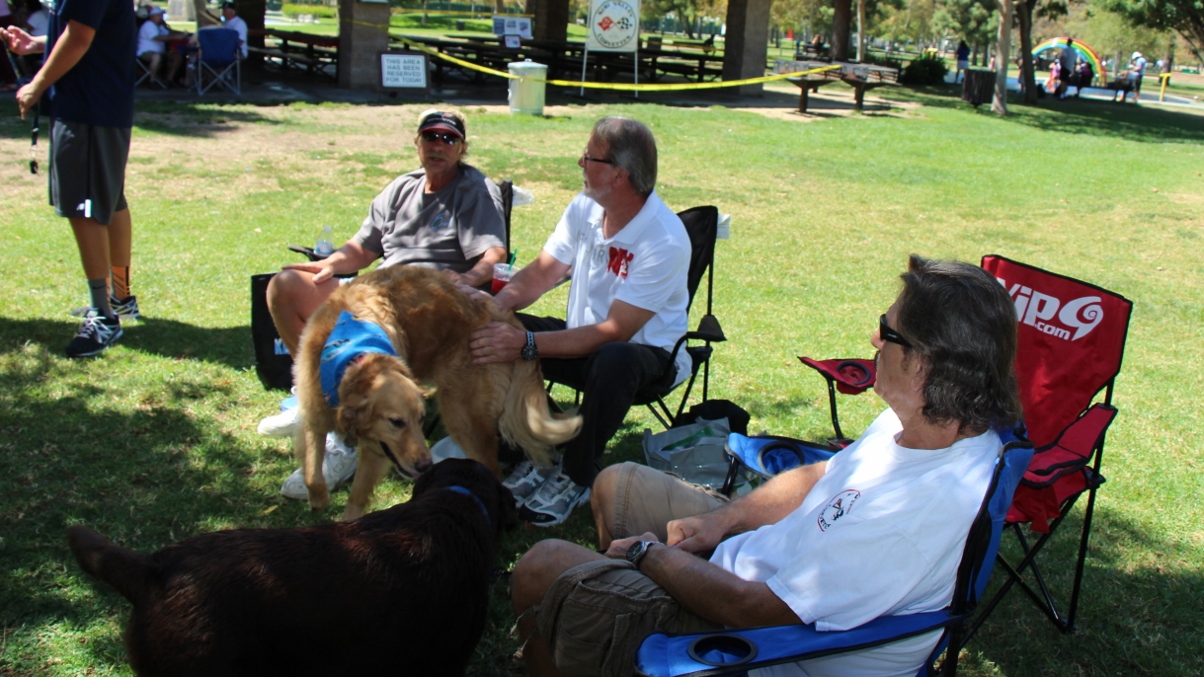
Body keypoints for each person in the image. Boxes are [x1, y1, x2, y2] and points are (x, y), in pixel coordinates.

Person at [509, 255, 1022, 677]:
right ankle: (608, 633)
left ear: (925, 364)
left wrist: (649, 556)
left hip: (762, 647)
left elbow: (753, 611)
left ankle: (610, 629)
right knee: (614, 484)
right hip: (749, 573)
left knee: (539, 568)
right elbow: (826, 476)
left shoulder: (916, 513)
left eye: (887, 331)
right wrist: (719, 522)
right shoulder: (925, 420)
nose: (872, 340)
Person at [263, 109, 508, 498]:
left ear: (462, 148)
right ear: (417, 143)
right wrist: (330, 263)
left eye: (448, 139)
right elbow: (363, 247)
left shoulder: (473, 190)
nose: (438, 146)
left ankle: (347, 442)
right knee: (286, 286)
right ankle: (324, 402)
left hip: (425, 306)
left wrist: (469, 279)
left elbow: (494, 253)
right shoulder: (401, 189)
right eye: (430, 137)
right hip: (375, 292)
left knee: (374, 322)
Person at [468, 117, 691, 526]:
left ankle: (576, 473)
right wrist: (495, 308)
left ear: (619, 174)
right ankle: (542, 449)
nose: (579, 162)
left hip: (646, 354)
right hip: (581, 338)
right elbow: (541, 273)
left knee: (613, 358)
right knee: (487, 334)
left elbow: (614, 332)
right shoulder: (586, 207)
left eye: (589, 157)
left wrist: (524, 344)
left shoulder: (664, 238)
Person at [4, 0, 138, 358]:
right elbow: (78, 32)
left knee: (84, 207)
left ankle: (103, 315)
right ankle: (120, 298)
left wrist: (35, 84)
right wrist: (36, 45)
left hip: (87, 106)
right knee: (109, 200)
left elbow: (80, 39)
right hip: (101, 103)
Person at [135, 5, 178, 86]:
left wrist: (182, 35)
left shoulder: (161, 27)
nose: (161, 17)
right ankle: (152, 81)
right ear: (152, 17)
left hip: (160, 52)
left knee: (177, 56)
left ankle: (169, 79)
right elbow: (158, 38)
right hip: (146, 53)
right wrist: (175, 37)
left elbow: (169, 34)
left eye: (161, 15)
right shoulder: (148, 25)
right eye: (159, 15)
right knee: (156, 57)